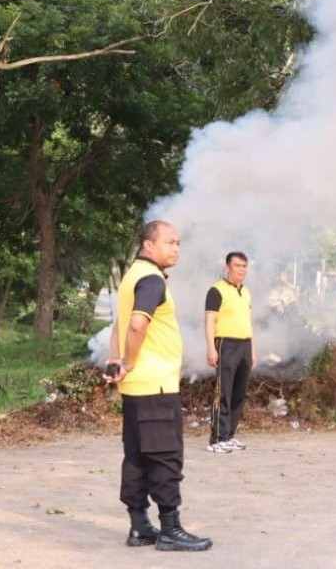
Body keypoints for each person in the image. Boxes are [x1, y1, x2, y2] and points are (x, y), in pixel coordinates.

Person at [106, 220, 211, 552]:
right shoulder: (151, 280)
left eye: (179, 242)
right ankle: (170, 529)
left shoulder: (132, 276)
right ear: (148, 246)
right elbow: (136, 325)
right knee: (165, 457)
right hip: (156, 386)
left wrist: (115, 361)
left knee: (136, 456)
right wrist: (130, 361)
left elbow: (120, 324)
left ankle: (139, 526)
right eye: (169, 242)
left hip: (136, 390)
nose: (176, 248)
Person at [204, 252, 256, 454]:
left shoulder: (246, 292)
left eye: (244, 266)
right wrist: (211, 347)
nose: (242, 269)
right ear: (228, 267)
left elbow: (248, 322)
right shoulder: (216, 290)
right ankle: (217, 439)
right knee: (223, 392)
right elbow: (209, 321)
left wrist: (253, 350)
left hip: (245, 345)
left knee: (238, 393)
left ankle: (229, 435)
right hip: (225, 344)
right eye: (237, 265)